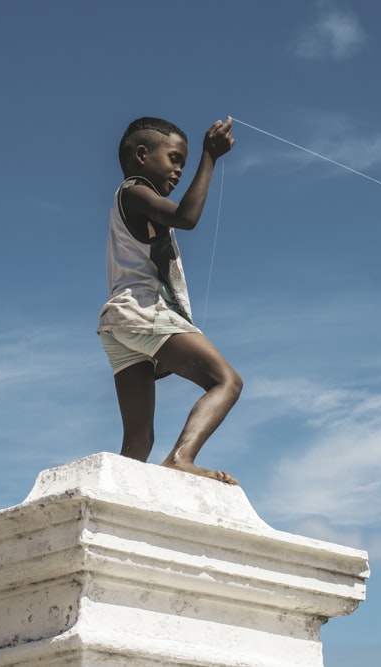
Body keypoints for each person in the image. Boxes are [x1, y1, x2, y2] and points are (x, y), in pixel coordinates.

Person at [97, 116, 242, 484]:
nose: (179, 170)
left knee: (138, 441)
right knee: (227, 382)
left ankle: (118, 494)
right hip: (141, 310)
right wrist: (209, 156)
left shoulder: (133, 202)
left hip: (118, 323)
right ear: (142, 155)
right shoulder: (133, 191)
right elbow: (186, 217)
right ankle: (181, 458)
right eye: (175, 158)